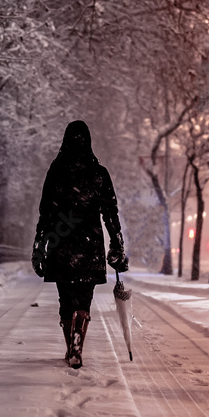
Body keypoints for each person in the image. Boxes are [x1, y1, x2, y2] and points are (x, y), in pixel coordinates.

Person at [31, 120, 128, 369]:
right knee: (84, 298)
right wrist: (116, 244)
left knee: (65, 298)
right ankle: (78, 339)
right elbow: (110, 213)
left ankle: (71, 345)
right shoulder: (99, 173)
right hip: (89, 245)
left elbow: (45, 213)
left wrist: (39, 246)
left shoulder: (56, 172)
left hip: (60, 244)